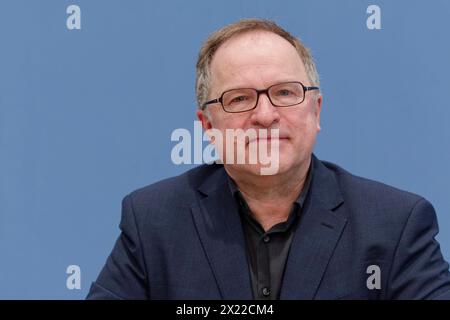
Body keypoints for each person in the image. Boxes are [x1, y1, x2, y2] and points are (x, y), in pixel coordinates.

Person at [87, 18, 450, 299]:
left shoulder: (395, 224)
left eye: (285, 92)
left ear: (316, 110)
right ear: (208, 126)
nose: (264, 115)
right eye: (240, 98)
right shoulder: (154, 220)